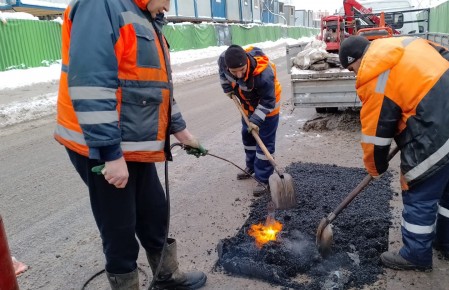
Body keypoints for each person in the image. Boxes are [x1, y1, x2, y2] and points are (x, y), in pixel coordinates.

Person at [54, 0, 207, 289]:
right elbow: (91, 82)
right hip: (99, 145)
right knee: (119, 226)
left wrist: (182, 132)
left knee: (154, 211)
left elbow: (155, 87)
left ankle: (166, 275)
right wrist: (110, 154)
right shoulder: (100, 6)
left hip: (131, 144)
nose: (169, 7)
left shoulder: (145, 16)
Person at [339, 36, 449, 271]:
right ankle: (446, 245)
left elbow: (376, 135)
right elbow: (447, 57)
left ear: (357, 60)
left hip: (436, 129)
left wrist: (376, 168)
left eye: (352, 69)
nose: (355, 75)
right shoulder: (403, 43)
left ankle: (415, 255)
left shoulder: (374, 75)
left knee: (420, 192)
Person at [218, 44, 282, 197]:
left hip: (268, 109)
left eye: (242, 70)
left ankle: (263, 179)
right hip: (247, 105)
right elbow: (222, 73)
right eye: (234, 72)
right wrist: (227, 89)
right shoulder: (223, 60)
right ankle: (252, 166)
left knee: (264, 142)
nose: (239, 75)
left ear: (247, 62)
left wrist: (256, 121)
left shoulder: (263, 74)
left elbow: (268, 101)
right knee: (247, 137)